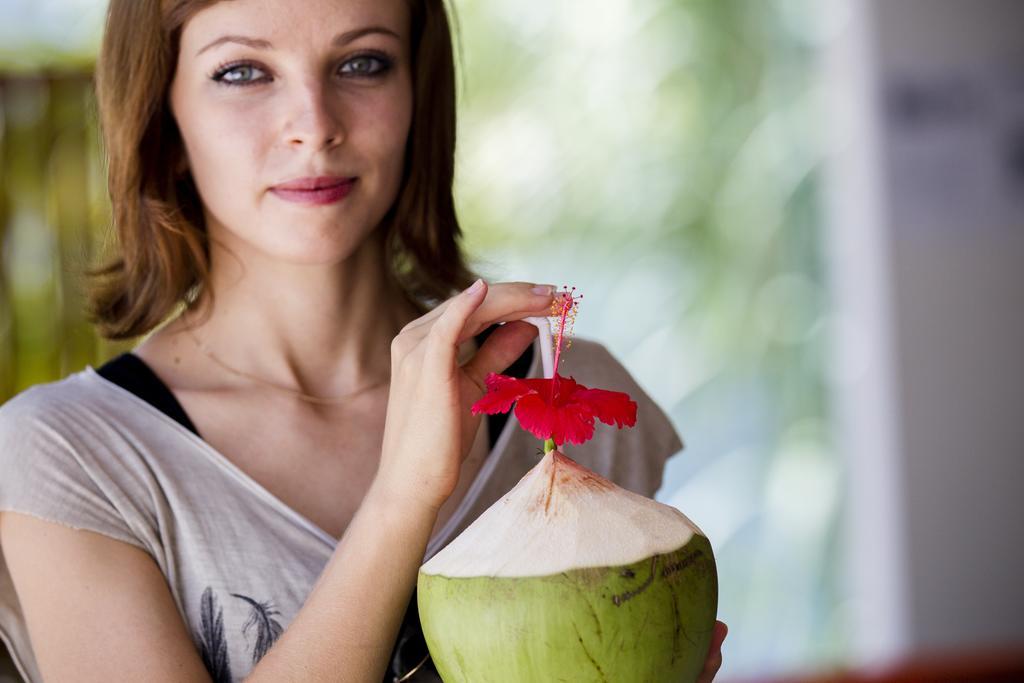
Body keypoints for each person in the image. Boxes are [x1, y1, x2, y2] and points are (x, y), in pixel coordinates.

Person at [0, 0, 727, 680]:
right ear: (164, 118)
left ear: (419, 93)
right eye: (243, 72)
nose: (313, 124)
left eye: (362, 63)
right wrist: (402, 498)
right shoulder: (68, 453)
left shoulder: (573, 395)